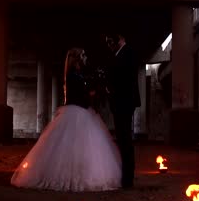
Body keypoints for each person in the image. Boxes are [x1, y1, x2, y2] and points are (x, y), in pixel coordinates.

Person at [10, 48, 122, 192]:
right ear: (76, 59)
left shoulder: (76, 75)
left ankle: (77, 173)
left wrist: (93, 89)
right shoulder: (74, 76)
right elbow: (80, 95)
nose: (85, 58)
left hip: (78, 111)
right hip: (77, 111)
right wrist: (93, 91)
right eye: (83, 55)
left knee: (76, 146)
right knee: (75, 146)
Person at [104, 33, 141, 188]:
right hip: (122, 102)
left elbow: (125, 80)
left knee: (125, 139)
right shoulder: (122, 54)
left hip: (124, 103)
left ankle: (127, 179)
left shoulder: (128, 53)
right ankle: (126, 177)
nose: (108, 45)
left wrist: (110, 88)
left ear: (119, 38)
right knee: (123, 139)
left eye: (110, 41)